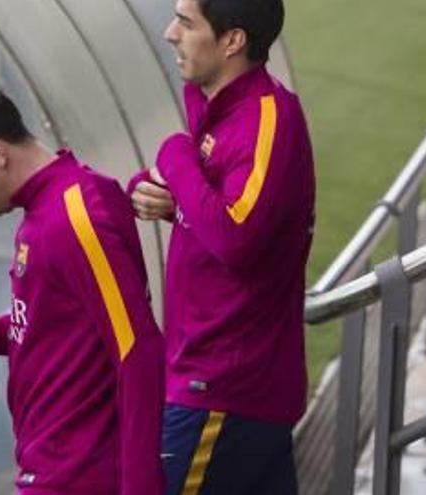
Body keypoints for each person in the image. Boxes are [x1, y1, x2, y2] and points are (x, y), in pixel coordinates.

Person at [0, 83, 165, 495]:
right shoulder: (46, 211)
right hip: (50, 470)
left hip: (78, 477)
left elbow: (137, 350)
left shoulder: (75, 217)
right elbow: (54, 328)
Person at [127, 0, 314, 493]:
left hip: (223, 393)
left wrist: (175, 155)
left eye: (187, 23)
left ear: (233, 41)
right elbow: (215, 209)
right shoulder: (209, 104)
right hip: (214, 387)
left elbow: (236, 237)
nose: (170, 33)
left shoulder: (271, 118)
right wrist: (159, 196)